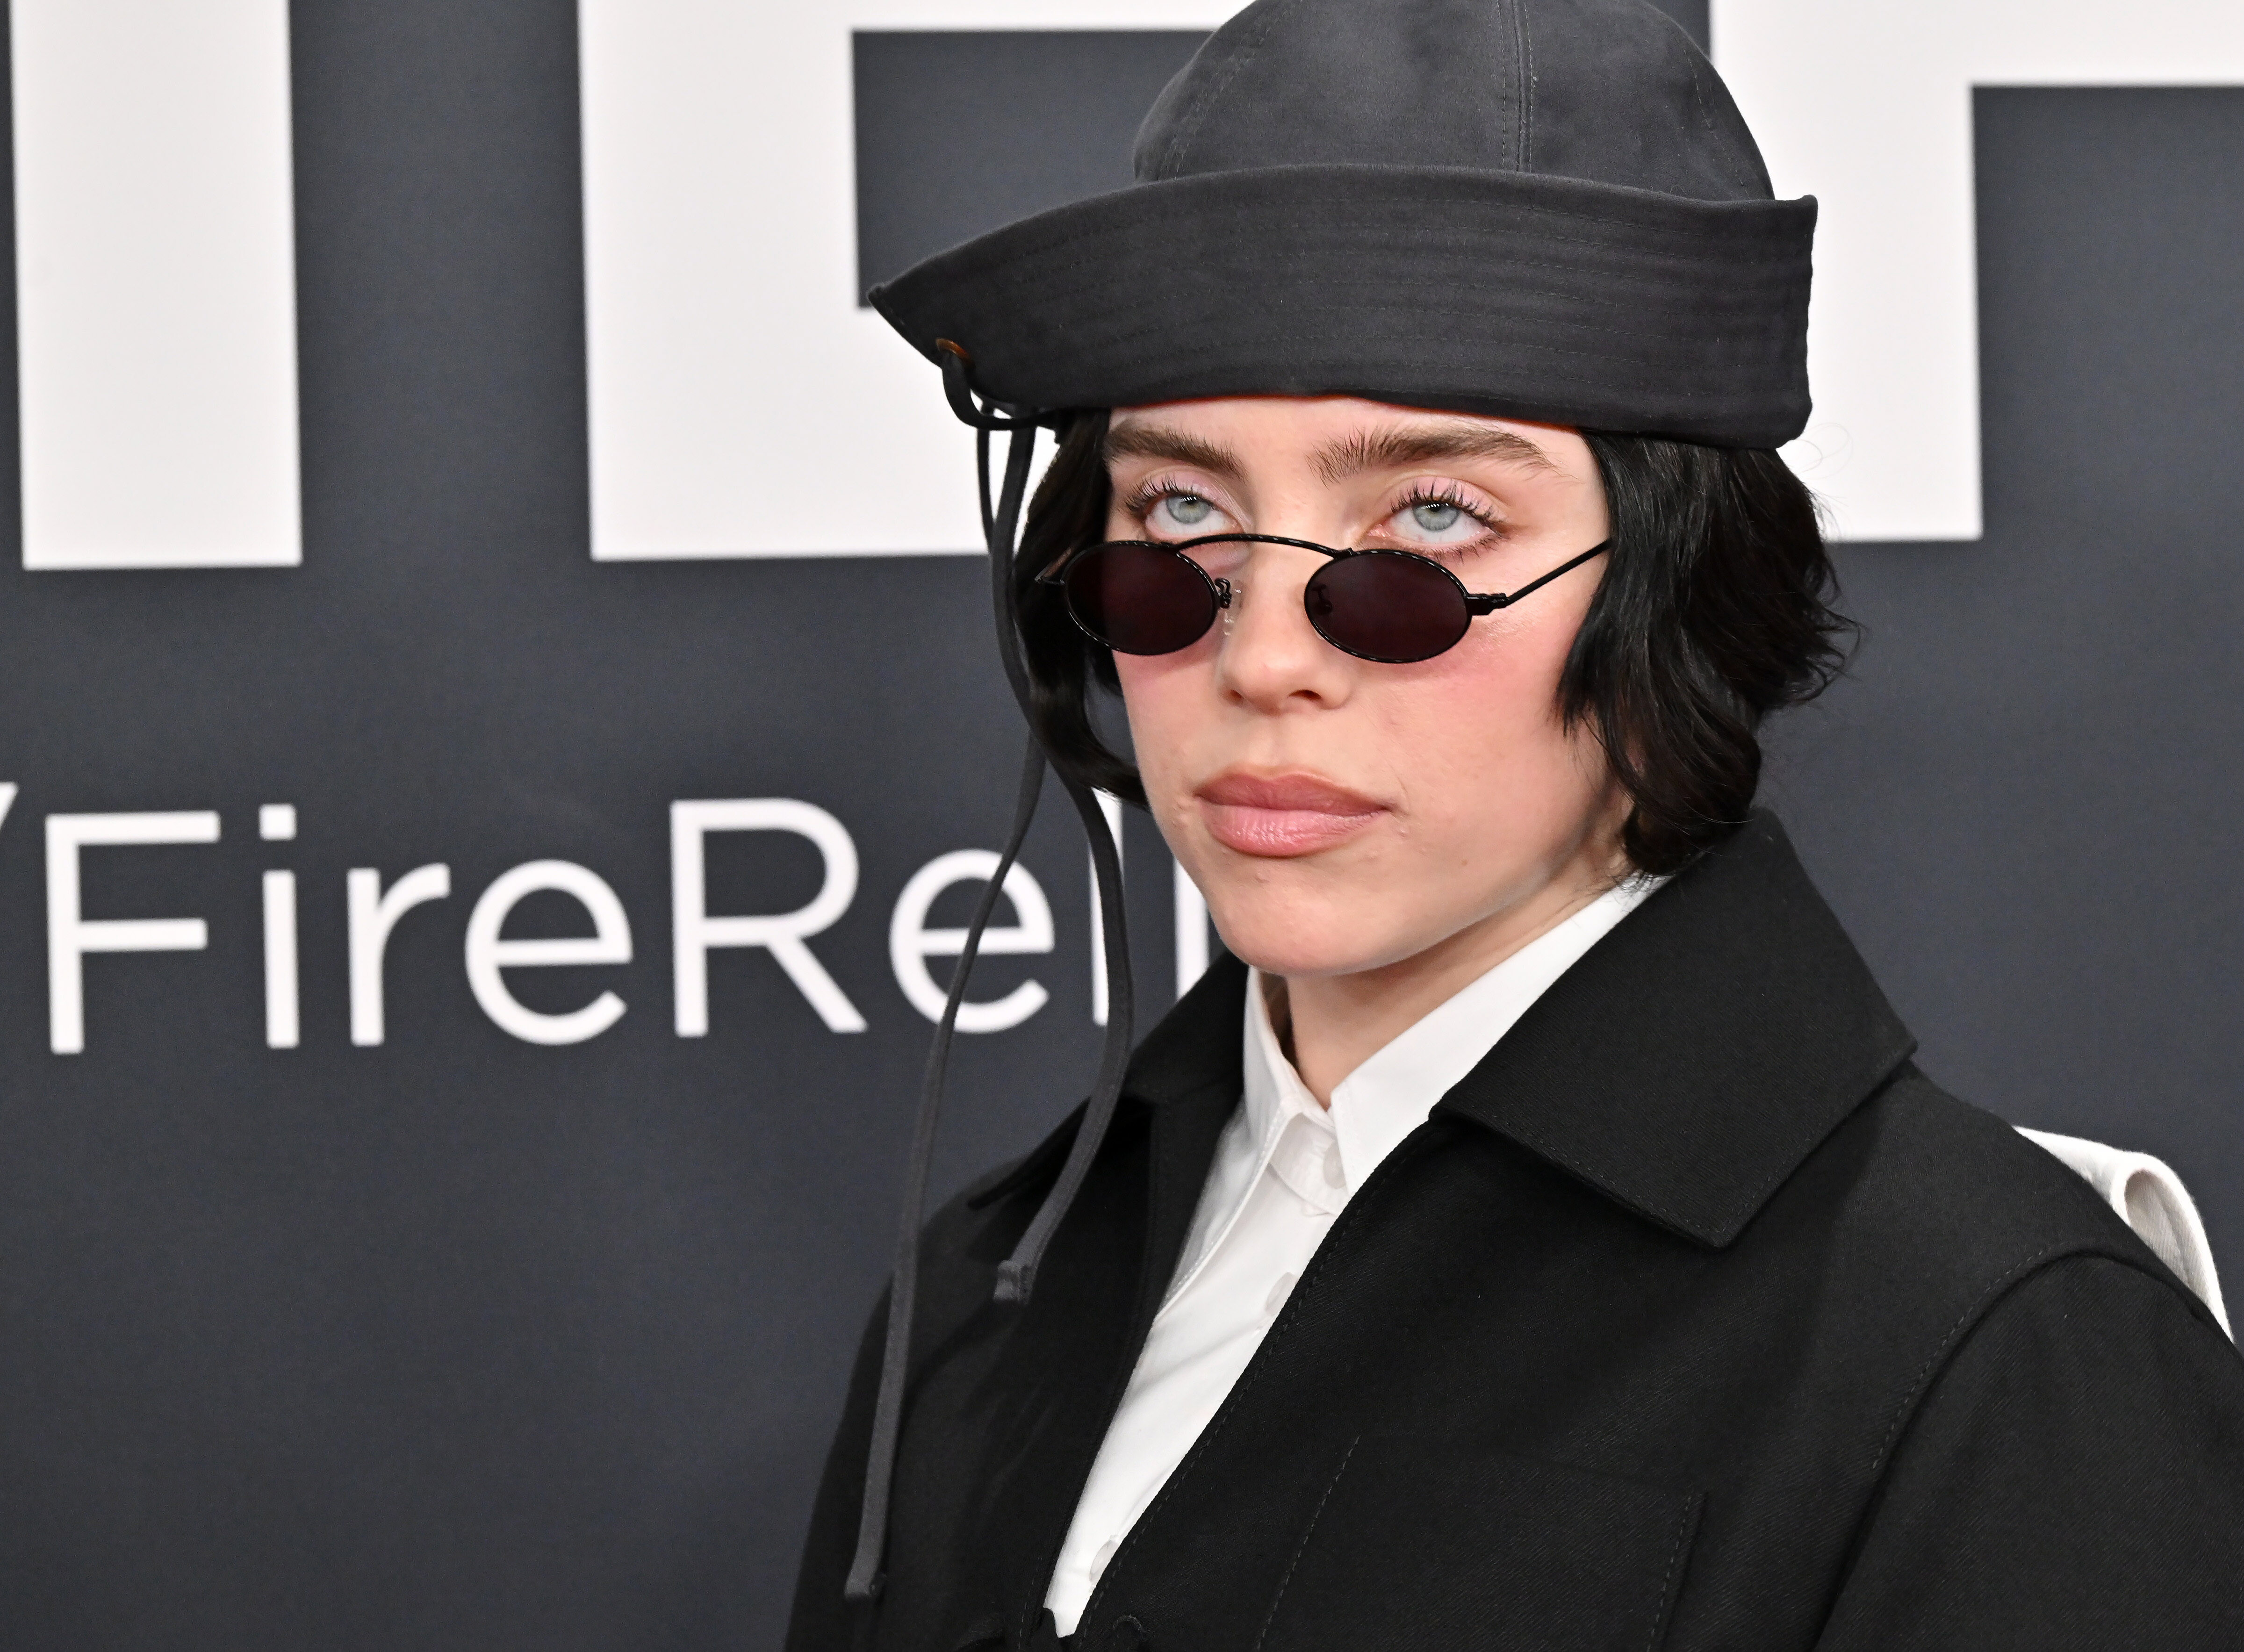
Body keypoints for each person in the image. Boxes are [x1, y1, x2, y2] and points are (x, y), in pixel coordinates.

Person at [789, 2, 2244, 1647]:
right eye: (1180, 511)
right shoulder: (989, 1290)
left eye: (1431, 522)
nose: (1262, 659)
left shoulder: (1998, 1345)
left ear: (1683, 586)